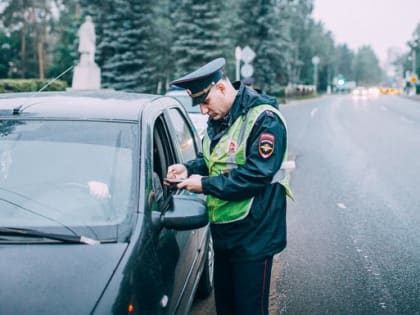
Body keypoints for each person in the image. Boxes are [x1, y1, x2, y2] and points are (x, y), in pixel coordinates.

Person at [166, 58, 292, 315]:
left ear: (221, 89)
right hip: (225, 235)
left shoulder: (265, 120)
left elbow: (256, 175)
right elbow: (214, 160)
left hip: (256, 236)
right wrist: (189, 168)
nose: (203, 111)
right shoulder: (221, 117)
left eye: (205, 102)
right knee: (226, 308)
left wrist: (204, 185)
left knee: (248, 310)